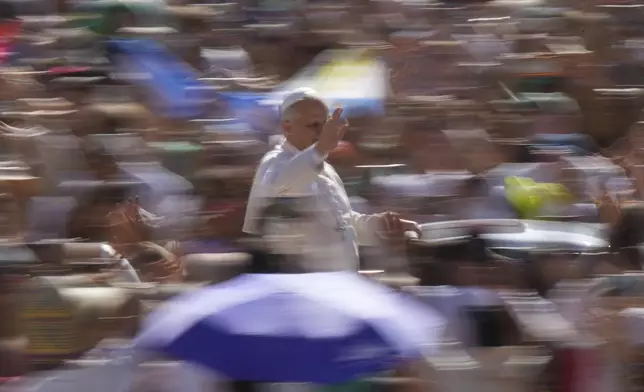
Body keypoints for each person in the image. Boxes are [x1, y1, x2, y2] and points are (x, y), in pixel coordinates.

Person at [243, 88, 420, 270]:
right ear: (288, 127)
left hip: (338, 282)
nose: (321, 132)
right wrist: (320, 150)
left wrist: (380, 226)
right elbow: (283, 185)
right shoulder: (274, 163)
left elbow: (342, 223)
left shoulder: (325, 168)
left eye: (324, 125)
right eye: (313, 125)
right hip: (301, 283)